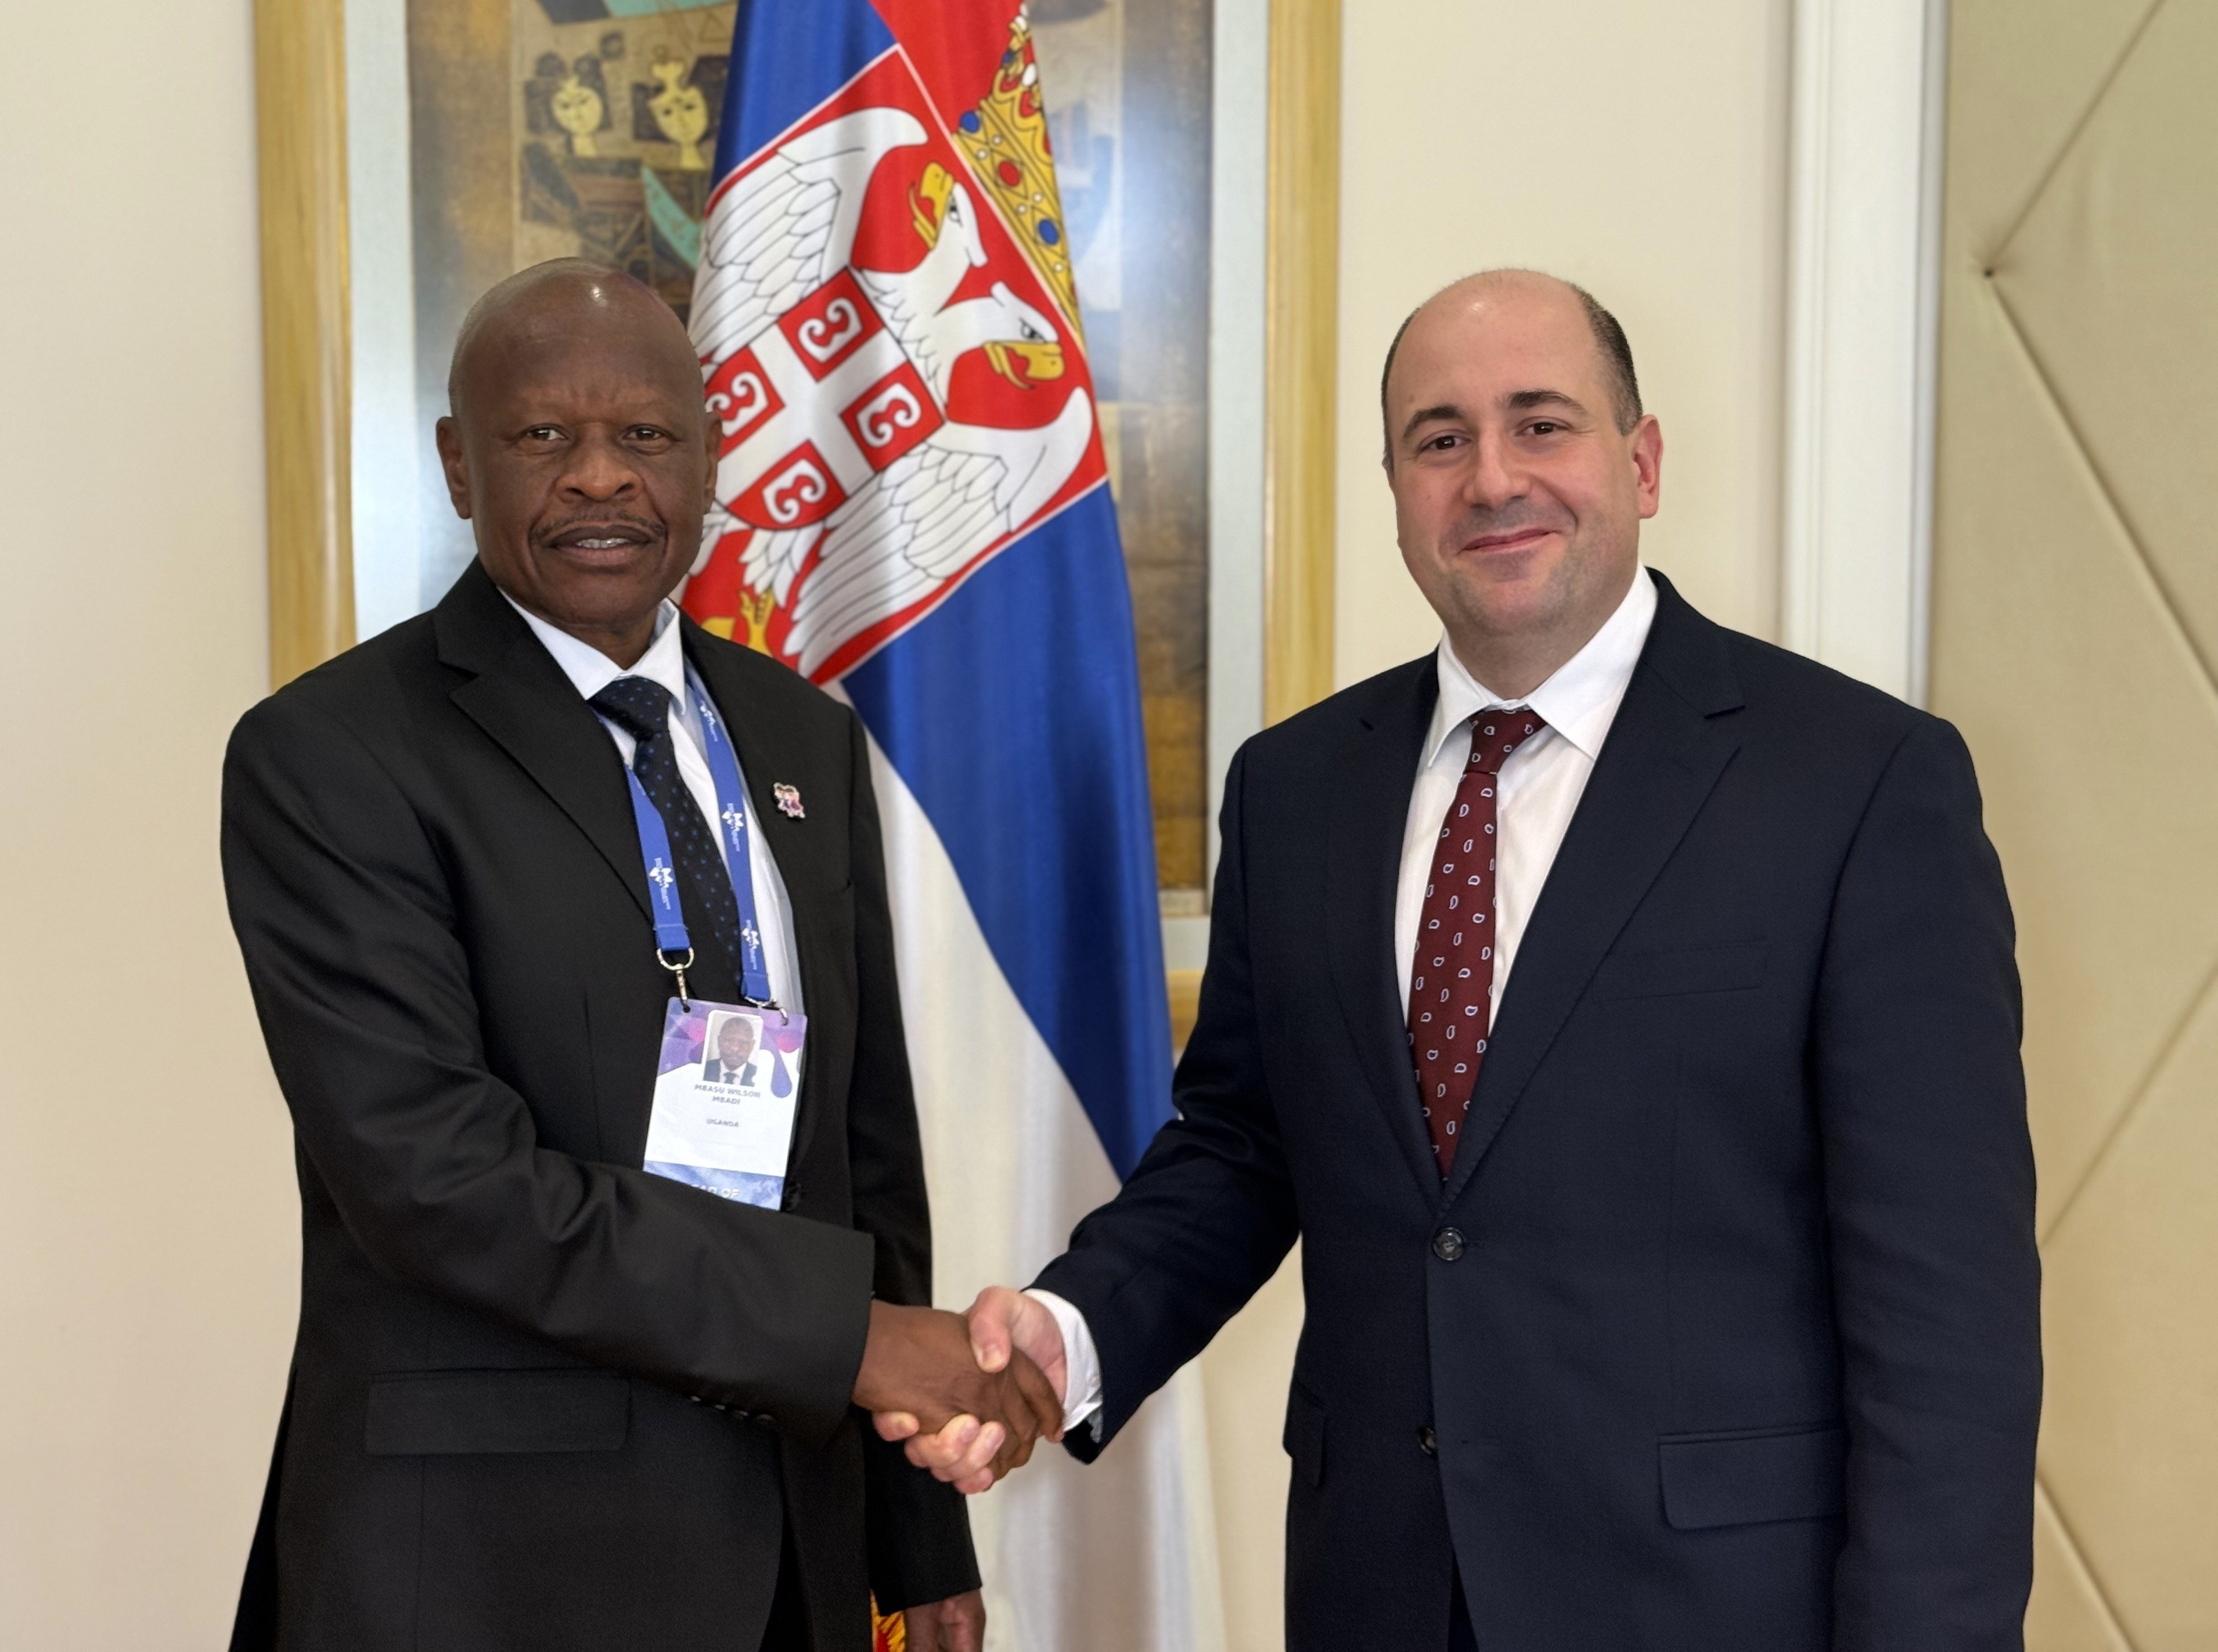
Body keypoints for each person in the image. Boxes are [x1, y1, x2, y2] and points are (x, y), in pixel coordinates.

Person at [894, 271, 2041, 1649]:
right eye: (1440, 439)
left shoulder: (1859, 783)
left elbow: (1947, 1317)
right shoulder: (1296, 788)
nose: (1493, 478)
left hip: (1713, 1608)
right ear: (1395, 489)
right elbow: (1245, 1149)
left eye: (1541, 424)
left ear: (1643, 461)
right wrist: (1070, 1335)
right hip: (1378, 1593)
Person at [221, 258, 1058, 1652]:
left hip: (786, 1549)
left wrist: (916, 1539)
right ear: (459, 464)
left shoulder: (801, 737)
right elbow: (439, 1186)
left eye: (646, 435)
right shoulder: (332, 756)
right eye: (544, 434)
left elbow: (863, 1155)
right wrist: (855, 1341)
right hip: (485, 1570)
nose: (600, 476)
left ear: (711, 457)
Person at [707, 1013, 765, 1087]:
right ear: (719, 1041)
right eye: (729, 1040)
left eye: (743, 1042)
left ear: (752, 1045)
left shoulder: (762, 1077)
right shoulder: (705, 1069)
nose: (735, 1048)